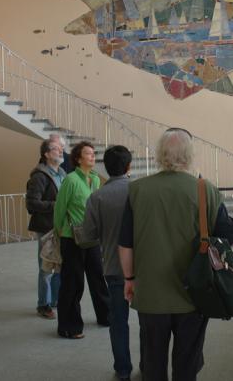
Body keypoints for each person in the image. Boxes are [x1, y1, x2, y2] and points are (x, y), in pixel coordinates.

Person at [118, 128, 233, 381]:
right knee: (187, 360)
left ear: (160, 155)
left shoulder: (137, 190)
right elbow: (228, 237)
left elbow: (125, 243)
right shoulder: (205, 189)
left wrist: (129, 279)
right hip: (194, 292)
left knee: (152, 359)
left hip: (151, 292)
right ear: (190, 155)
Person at [83, 145, 133, 381]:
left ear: (106, 168)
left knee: (118, 322)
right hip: (141, 267)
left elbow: (89, 235)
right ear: (129, 166)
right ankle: (150, 364)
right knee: (148, 320)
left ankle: (122, 370)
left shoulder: (97, 197)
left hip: (113, 267)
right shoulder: (139, 191)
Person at [53, 141, 110, 339]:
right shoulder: (70, 180)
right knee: (73, 283)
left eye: (93, 153)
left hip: (92, 237)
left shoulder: (94, 179)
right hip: (72, 238)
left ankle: (106, 316)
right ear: (78, 158)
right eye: (88, 154)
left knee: (98, 277)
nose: (93, 157)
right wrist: (60, 233)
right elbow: (59, 210)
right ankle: (69, 326)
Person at [26, 139, 66, 319]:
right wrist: (57, 205)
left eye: (62, 148)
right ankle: (43, 304)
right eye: (56, 149)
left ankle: (56, 300)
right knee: (45, 268)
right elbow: (32, 204)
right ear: (46, 154)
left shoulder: (63, 173)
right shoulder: (39, 176)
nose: (61, 151)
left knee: (59, 265)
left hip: (61, 226)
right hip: (45, 227)